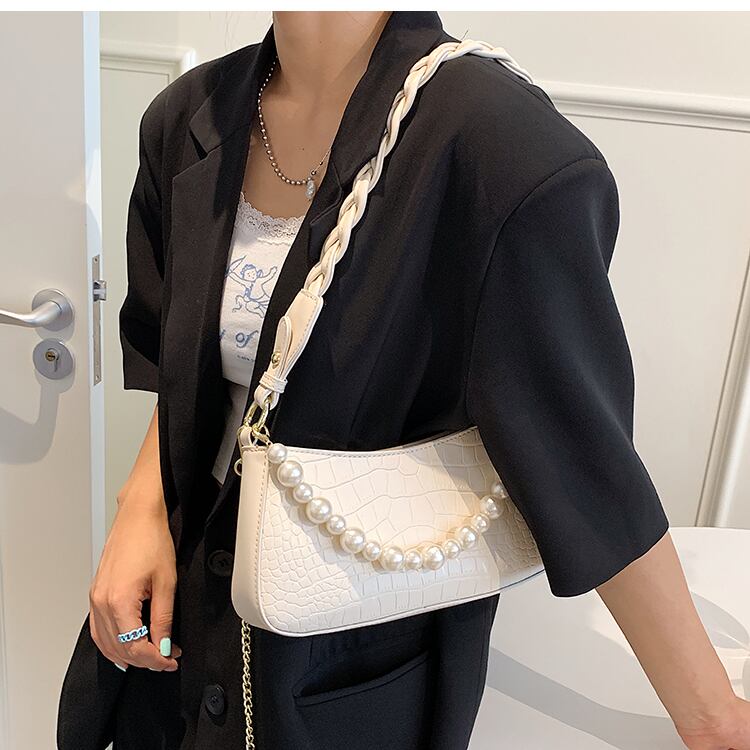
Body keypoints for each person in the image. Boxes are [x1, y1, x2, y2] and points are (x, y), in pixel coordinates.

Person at [57, 10, 750, 750]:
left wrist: (710, 716)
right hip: (176, 615)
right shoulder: (188, 116)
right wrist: (141, 508)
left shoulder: (500, 148)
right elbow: (179, 364)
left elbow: (583, 462)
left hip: (352, 653)